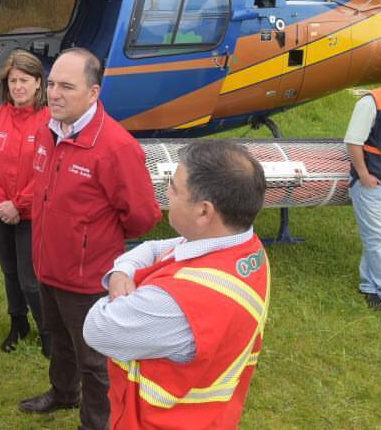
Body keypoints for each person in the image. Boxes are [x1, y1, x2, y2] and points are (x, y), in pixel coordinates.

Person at [19, 48, 161, 430]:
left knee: (94, 358)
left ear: (94, 93)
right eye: (50, 84)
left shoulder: (115, 147)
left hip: (88, 278)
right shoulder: (48, 129)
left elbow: (143, 216)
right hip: (48, 266)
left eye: (67, 86)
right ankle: (64, 393)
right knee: (59, 339)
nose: (54, 94)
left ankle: (96, 422)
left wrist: (94, 239)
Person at [83, 140, 269, 430]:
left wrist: (120, 284)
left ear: (204, 212)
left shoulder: (176, 304)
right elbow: (155, 248)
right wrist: (123, 273)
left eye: (173, 187)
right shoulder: (243, 248)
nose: (166, 193)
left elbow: (97, 327)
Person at [0, 49, 50, 354]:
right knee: (9, 272)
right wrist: (0, 204)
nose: (18, 86)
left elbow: (47, 169)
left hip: (32, 215)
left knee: (30, 279)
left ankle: (49, 333)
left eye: (25, 80)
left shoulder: (49, 121)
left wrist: (18, 204)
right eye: (13, 80)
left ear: (38, 83)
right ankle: (18, 323)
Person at [345, 53, 381, 311]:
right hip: (373, 186)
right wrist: (364, 175)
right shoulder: (371, 102)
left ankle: (369, 287)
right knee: (379, 239)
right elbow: (353, 141)